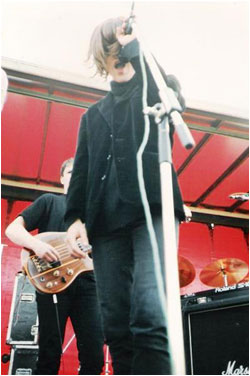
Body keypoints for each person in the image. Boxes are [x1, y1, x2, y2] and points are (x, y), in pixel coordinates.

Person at [65, 17, 187, 375]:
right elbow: (81, 176)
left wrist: (135, 46)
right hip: (106, 226)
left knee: (151, 316)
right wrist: (74, 219)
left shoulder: (154, 92)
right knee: (116, 327)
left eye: (124, 54)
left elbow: (168, 91)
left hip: (153, 212)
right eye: (112, 55)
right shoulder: (92, 117)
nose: (119, 61)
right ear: (101, 60)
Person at [5, 158, 104, 375]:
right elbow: (12, 230)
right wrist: (36, 246)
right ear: (62, 179)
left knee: (95, 356)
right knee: (49, 353)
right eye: (71, 172)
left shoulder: (98, 213)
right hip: (51, 282)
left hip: (89, 286)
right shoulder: (49, 201)